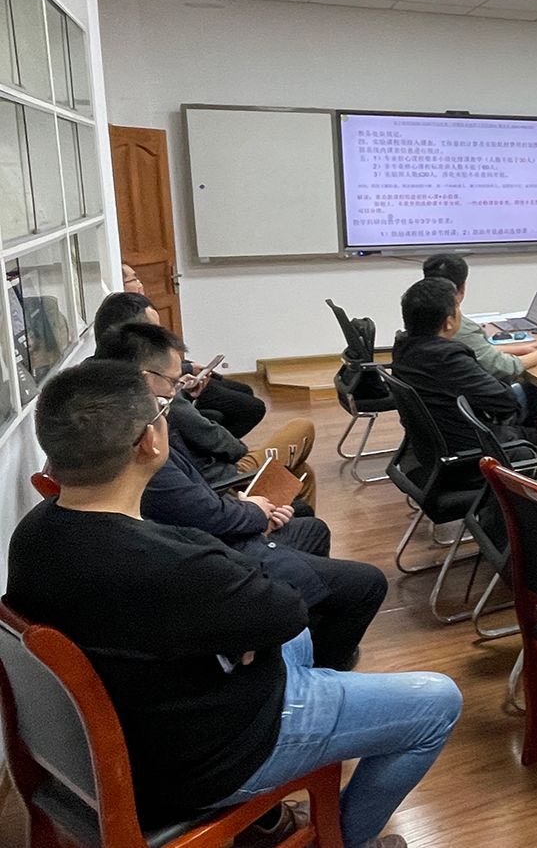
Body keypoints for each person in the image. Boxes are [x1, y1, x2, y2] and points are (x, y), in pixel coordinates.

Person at [7, 362, 462, 848]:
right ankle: (341, 839)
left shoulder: (33, 535)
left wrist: (247, 634)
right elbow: (287, 609)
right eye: (162, 412)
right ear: (149, 442)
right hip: (202, 761)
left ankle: (275, 809)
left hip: (129, 731)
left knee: (290, 635)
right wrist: (247, 634)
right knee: (437, 703)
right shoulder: (173, 563)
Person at [94, 322, 386, 672]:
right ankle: (316, 668)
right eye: (173, 381)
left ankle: (305, 640)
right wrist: (253, 514)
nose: (177, 388)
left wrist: (250, 510)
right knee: (368, 583)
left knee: (313, 527)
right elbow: (203, 510)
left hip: (223, 520)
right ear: (146, 378)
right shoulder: (146, 443)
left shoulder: (119, 423)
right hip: (226, 549)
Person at [94, 292, 317, 504]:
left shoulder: (99, 382)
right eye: (155, 333)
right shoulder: (153, 397)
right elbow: (211, 438)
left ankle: (283, 522)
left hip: (205, 477)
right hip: (220, 480)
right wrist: (242, 457)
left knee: (301, 473)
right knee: (302, 428)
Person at [121, 263, 268, 438]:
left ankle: (217, 441)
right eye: (134, 279)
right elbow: (146, 366)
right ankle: (219, 445)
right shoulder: (127, 320)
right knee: (252, 407)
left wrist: (189, 366)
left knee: (243, 390)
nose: (140, 283)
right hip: (169, 387)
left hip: (174, 378)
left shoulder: (140, 310)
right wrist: (188, 369)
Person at [391, 276, 535, 454]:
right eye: (458, 308)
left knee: (526, 392)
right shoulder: (447, 358)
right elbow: (505, 402)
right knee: (534, 402)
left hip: (434, 444)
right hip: (475, 449)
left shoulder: (404, 346)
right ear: (449, 322)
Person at [421, 253, 537, 385]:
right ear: (461, 289)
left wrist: (520, 349)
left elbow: (474, 351)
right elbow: (501, 367)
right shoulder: (455, 325)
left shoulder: (420, 314)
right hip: (471, 395)